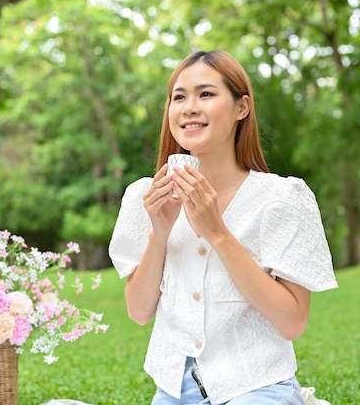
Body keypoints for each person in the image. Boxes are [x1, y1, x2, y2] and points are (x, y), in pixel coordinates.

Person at [108, 50, 338, 405]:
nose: (189, 107)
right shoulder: (145, 196)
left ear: (241, 107)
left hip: (256, 387)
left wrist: (217, 232)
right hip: (173, 390)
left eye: (206, 94)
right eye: (179, 97)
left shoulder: (281, 198)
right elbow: (138, 312)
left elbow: (293, 322)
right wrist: (160, 232)